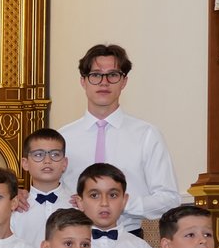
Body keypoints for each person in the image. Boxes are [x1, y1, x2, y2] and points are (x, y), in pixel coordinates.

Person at [52, 44, 180, 237]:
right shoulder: (63, 137)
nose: (104, 82)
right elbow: (51, 190)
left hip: (128, 236)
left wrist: (122, 203)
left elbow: (169, 199)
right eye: (96, 75)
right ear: (83, 81)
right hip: (72, 239)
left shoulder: (147, 134)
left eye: (112, 75)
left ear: (124, 81)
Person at [12, 128, 72, 248]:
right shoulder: (15, 208)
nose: (47, 161)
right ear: (25, 163)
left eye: (55, 154)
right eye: (38, 155)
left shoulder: (76, 205)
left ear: (64, 163)